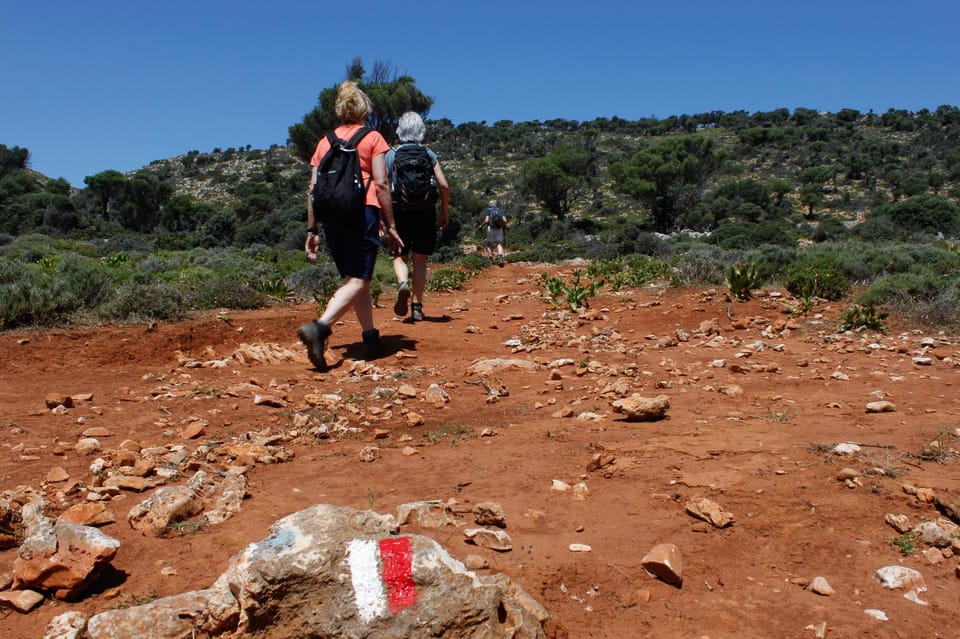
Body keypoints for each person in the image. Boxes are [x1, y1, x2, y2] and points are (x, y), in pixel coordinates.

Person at [297, 81, 403, 370]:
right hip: (362, 211)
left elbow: (313, 189)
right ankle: (319, 327)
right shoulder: (373, 137)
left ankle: (370, 337)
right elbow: (381, 184)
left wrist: (312, 230)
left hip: (332, 216)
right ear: (364, 109)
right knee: (359, 279)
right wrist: (390, 224)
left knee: (355, 278)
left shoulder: (324, 141)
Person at [386, 112, 450, 322]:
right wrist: (444, 212)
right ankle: (417, 306)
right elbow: (444, 185)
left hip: (399, 211)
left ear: (400, 130)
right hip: (425, 211)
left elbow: (382, 186)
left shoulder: (392, 154)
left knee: (399, 256)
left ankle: (402, 283)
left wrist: (383, 217)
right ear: (421, 131)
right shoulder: (428, 154)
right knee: (420, 260)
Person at [479, 200, 507, 267]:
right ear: (496, 204)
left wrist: (481, 225)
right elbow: (505, 220)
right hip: (499, 229)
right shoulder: (499, 210)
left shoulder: (488, 210)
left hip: (490, 228)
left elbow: (486, 220)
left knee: (489, 244)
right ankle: (500, 257)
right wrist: (503, 226)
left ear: (490, 204)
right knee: (499, 243)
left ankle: (491, 259)